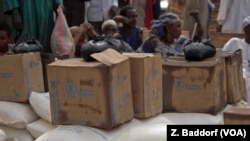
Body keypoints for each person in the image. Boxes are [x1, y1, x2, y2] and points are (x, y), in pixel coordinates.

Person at [222, 16, 250, 102]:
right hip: (236, 77)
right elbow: (222, 58)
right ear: (245, 30)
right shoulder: (234, 42)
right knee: (243, 76)